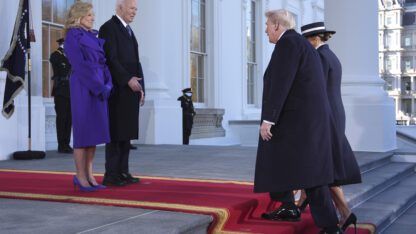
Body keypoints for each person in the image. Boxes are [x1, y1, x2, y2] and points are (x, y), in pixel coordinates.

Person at [254, 10, 342, 234]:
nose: (265, 30)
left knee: (309, 174)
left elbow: (281, 84)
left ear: (276, 26)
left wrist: (268, 119)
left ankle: (330, 227)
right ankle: (289, 205)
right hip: (304, 122)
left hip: (297, 123)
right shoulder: (300, 45)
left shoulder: (288, 44)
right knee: (297, 168)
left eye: (267, 25)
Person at [299, 21, 362, 232]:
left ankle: (339, 212)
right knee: (330, 168)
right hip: (335, 113)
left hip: (326, 117)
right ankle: (344, 214)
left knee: (325, 168)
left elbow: (315, 91)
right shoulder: (331, 56)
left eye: (305, 41)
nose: (304, 46)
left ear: (315, 39)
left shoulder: (318, 56)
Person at [64, 1, 112, 192]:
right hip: (84, 87)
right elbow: (79, 65)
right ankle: (80, 177)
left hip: (99, 86)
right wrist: (97, 86)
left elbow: (104, 62)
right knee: (83, 133)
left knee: (94, 133)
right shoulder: (72, 36)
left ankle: (90, 175)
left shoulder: (93, 36)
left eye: (93, 15)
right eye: (90, 14)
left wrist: (108, 84)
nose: (93, 18)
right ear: (79, 15)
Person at [99, 0, 144, 186]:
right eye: (131, 8)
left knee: (126, 134)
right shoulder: (108, 28)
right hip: (118, 91)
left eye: (136, 9)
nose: (134, 12)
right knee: (116, 134)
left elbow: (137, 63)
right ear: (120, 8)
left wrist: (142, 89)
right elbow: (111, 59)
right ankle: (111, 175)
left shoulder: (129, 31)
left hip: (132, 90)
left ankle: (123, 172)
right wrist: (127, 79)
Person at [49, 38, 73, 154]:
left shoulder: (71, 56)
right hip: (61, 91)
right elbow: (55, 62)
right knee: (62, 118)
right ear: (63, 44)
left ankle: (67, 144)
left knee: (69, 119)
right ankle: (61, 145)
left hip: (71, 91)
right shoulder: (56, 55)